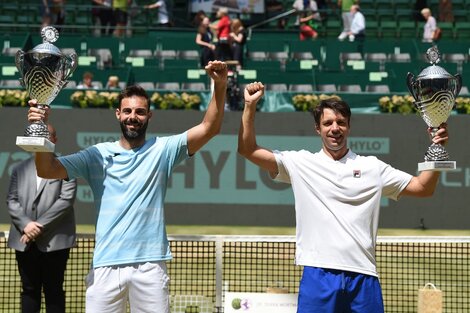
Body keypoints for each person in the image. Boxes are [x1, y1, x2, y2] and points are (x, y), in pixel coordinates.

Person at [27, 60, 228, 313]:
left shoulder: (163, 150)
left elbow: (210, 127)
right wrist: (40, 134)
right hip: (106, 266)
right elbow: (46, 169)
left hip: (150, 266)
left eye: (140, 112)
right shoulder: (96, 155)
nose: (133, 117)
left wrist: (219, 85)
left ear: (149, 115)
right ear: (118, 114)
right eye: (128, 111)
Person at [238, 82, 449, 312]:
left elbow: (423, 188)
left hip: (364, 277)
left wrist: (436, 150)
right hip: (318, 275)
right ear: (318, 129)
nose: (334, 128)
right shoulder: (300, 163)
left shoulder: (372, 167)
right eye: (327, 123)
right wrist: (249, 106)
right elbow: (248, 149)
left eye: (340, 122)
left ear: (348, 127)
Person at [7, 124, 77, 313]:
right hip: (24, 242)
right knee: (29, 290)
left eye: (47, 137)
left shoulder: (66, 168)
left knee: (54, 290)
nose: (42, 141)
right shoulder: (19, 169)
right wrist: (26, 225)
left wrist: (37, 228)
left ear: (54, 140)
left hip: (55, 242)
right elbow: (12, 200)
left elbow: (66, 200)